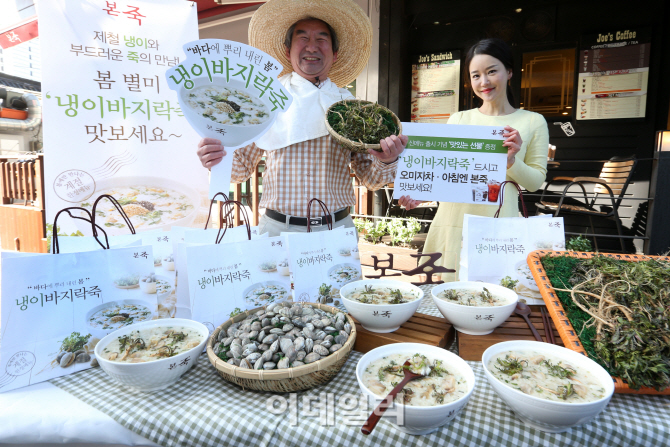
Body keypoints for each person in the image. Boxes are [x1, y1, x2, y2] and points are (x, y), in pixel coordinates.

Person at [196, 0, 407, 236]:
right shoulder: (265, 101)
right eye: (303, 38)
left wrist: (388, 159)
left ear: (335, 54)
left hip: (336, 229)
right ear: (288, 50)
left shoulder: (351, 109)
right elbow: (240, 170)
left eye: (321, 39)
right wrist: (216, 158)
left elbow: (371, 179)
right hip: (277, 230)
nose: (312, 47)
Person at [399, 38, 549, 281]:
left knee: (493, 299)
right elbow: (447, 175)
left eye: (492, 71)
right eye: (476, 75)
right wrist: (419, 193)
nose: (484, 82)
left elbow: (535, 182)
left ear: (509, 72)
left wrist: (510, 162)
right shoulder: (459, 119)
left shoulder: (532, 122)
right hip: (454, 222)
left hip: (499, 223)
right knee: (449, 299)